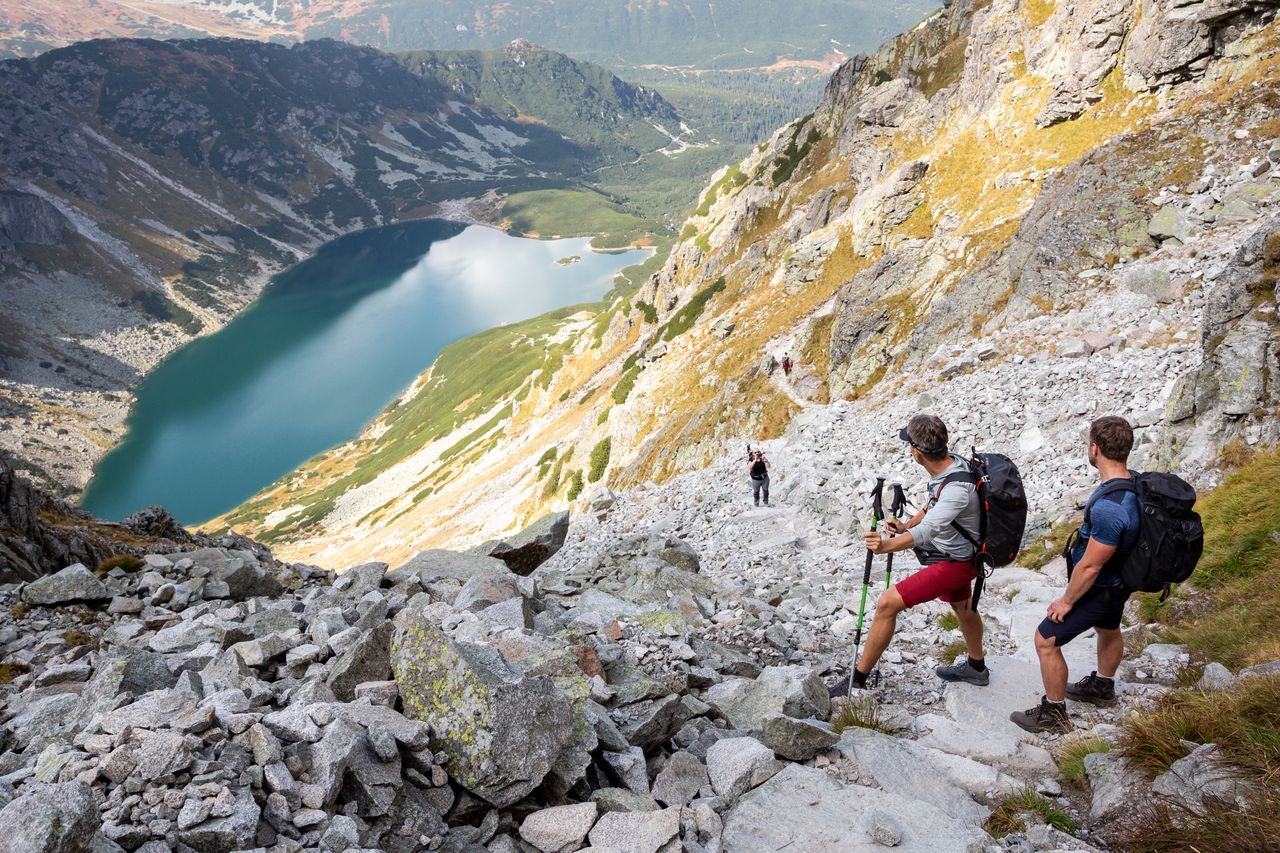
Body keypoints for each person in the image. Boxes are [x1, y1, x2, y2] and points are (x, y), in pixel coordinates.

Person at [835, 415, 990, 694]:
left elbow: (928, 531)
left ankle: (856, 681)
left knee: (886, 604)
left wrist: (884, 546)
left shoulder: (956, 489)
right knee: (963, 607)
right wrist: (907, 524)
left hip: (956, 561)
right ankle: (976, 667)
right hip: (960, 554)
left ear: (917, 453)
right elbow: (933, 506)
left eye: (910, 446)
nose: (909, 450)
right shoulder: (953, 464)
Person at [1011, 416, 1142, 734]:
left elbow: (1091, 566)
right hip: (1120, 582)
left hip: (1100, 586)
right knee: (1108, 628)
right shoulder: (1134, 482)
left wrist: (1067, 600)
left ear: (1095, 449)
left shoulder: (1111, 507)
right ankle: (1103, 687)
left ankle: (1053, 714)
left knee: (1045, 639)